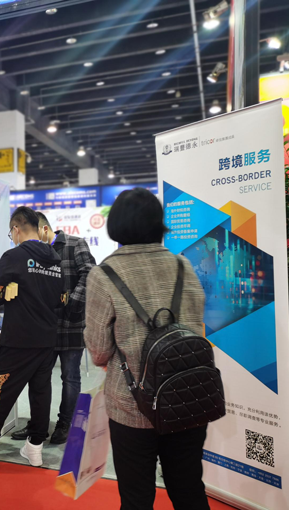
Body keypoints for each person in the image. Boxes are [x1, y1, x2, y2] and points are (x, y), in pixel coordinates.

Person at [84, 188, 208, 510]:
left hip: (132, 405)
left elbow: (98, 351)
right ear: (159, 223)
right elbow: (197, 325)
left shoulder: (104, 274)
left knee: (136, 497)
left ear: (116, 225)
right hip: (188, 397)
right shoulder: (183, 266)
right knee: (189, 490)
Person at [0, 206, 65, 472]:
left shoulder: (14, 256)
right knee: (41, 392)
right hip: (47, 337)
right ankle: (35, 448)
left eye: (11, 233)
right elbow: (60, 299)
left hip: (18, 337)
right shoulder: (54, 257)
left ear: (16, 229)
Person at [11, 211, 95, 445]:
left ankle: (65, 424)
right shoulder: (34, 253)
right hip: (41, 328)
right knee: (39, 378)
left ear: (44, 229)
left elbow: (90, 274)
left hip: (70, 325)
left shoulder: (74, 244)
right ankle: (37, 425)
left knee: (70, 376)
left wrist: (73, 304)